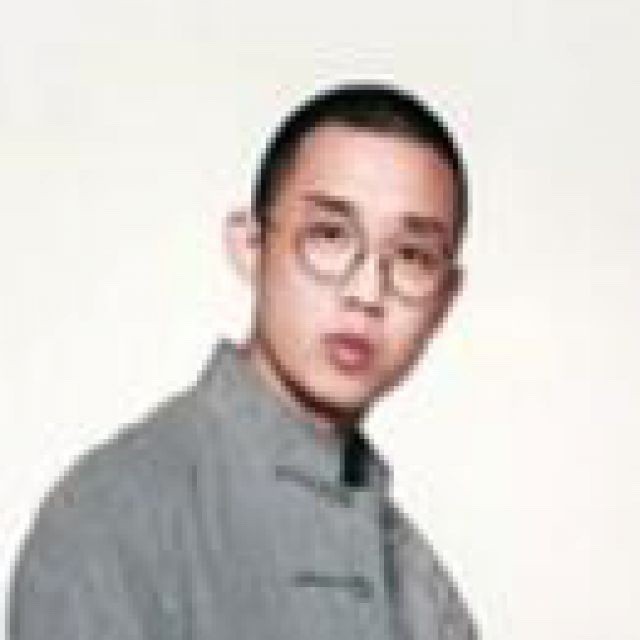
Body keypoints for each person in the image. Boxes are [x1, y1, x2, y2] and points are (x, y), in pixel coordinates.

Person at [7, 82, 477, 639]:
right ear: (250, 247)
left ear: (445, 300)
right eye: (329, 236)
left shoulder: (418, 583)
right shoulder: (113, 516)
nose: (367, 292)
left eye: (412, 256)